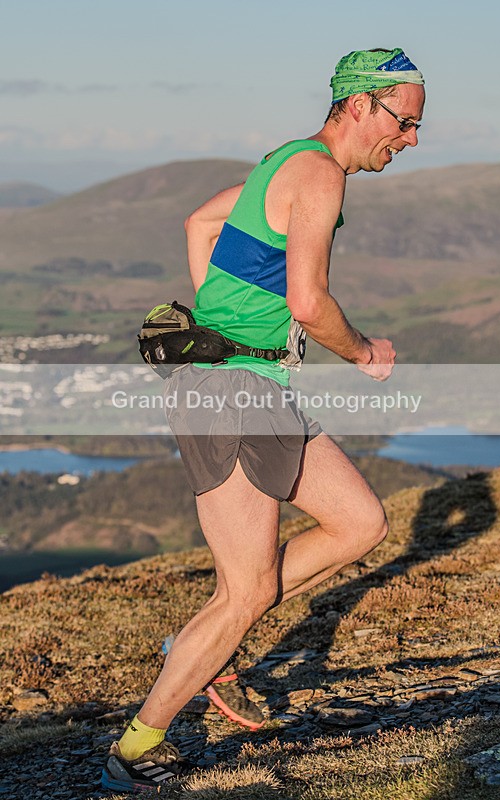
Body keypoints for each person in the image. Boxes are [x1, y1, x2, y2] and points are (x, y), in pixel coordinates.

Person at [102, 47, 425, 792]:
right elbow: (309, 302)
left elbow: (199, 221)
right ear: (358, 105)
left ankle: (204, 642)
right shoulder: (319, 173)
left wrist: (223, 327)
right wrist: (364, 352)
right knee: (244, 593)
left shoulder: (285, 160)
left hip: (251, 384)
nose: (409, 139)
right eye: (404, 122)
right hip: (232, 394)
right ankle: (137, 747)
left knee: (360, 523)